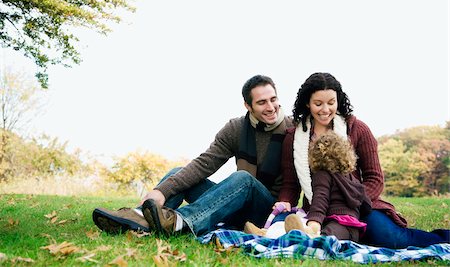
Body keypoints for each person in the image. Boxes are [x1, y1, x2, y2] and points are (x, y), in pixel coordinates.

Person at [92, 74, 293, 237]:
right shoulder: (236, 128)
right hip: (235, 203)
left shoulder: (292, 129)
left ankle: (182, 221)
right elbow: (204, 164)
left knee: (244, 180)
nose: (270, 107)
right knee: (179, 173)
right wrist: (161, 191)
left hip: (266, 211)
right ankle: (138, 219)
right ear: (248, 106)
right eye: (262, 102)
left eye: (273, 99)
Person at [275, 72, 449, 248]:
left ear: (339, 101)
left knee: (391, 238)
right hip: (315, 208)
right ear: (307, 103)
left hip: (359, 204)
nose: (325, 109)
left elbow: (375, 178)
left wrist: (352, 202)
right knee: (280, 226)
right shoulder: (294, 137)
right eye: (318, 104)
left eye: (331, 103)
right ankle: (286, 233)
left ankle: (444, 238)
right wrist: (285, 201)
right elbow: (290, 184)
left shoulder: (357, 129)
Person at [283, 131, 371, 242]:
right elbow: (366, 204)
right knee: (331, 236)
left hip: (336, 225)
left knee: (324, 238)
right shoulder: (352, 179)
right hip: (354, 229)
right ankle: (269, 232)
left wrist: (314, 223)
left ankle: (307, 236)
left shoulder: (321, 175)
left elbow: (320, 200)